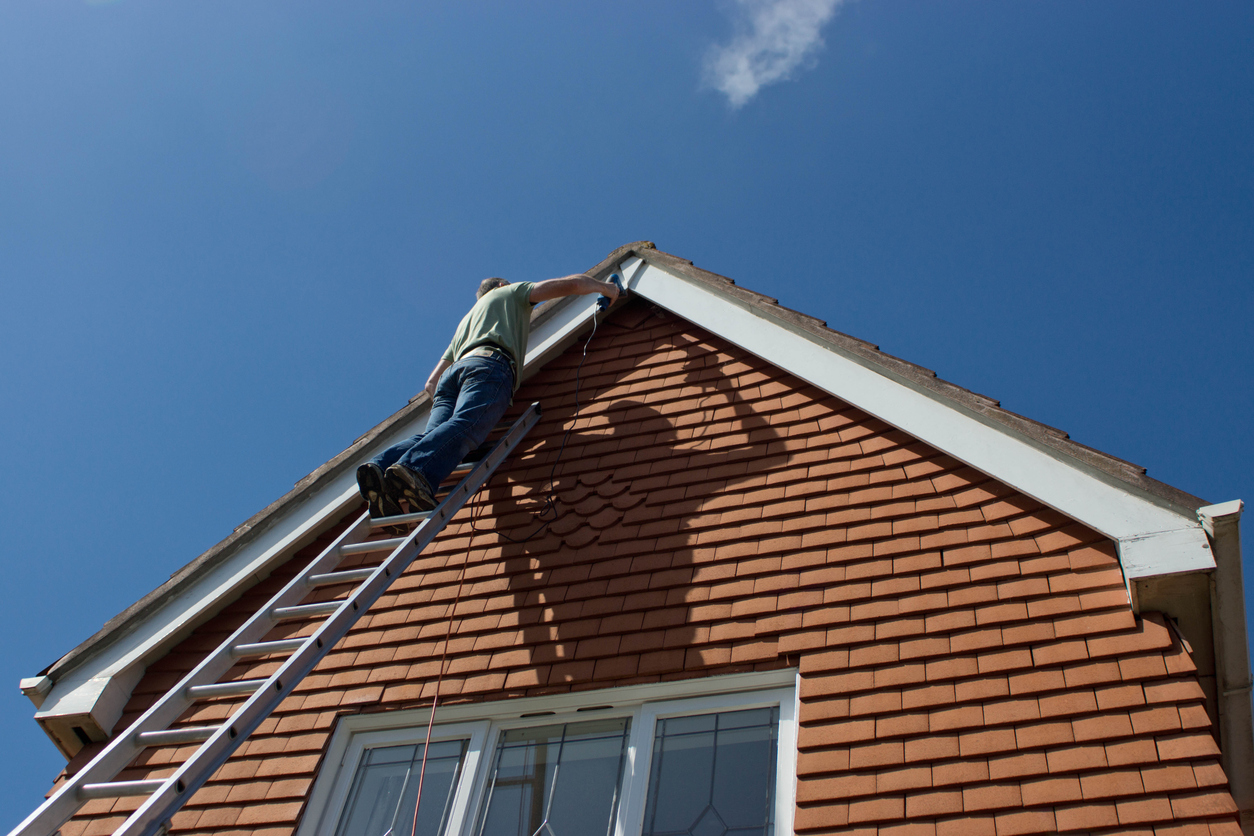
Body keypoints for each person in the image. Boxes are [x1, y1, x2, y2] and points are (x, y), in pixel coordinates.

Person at [356, 272, 621, 517]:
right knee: (468, 424)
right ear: (501, 285)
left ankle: (379, 467)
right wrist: (605, 287)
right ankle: (416, 471)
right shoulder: (508, 292)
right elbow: (571, 285)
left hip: (452, 377)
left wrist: (446, 426)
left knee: (432, 435)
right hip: (488, 364)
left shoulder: (466, 322)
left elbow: (430, 384)